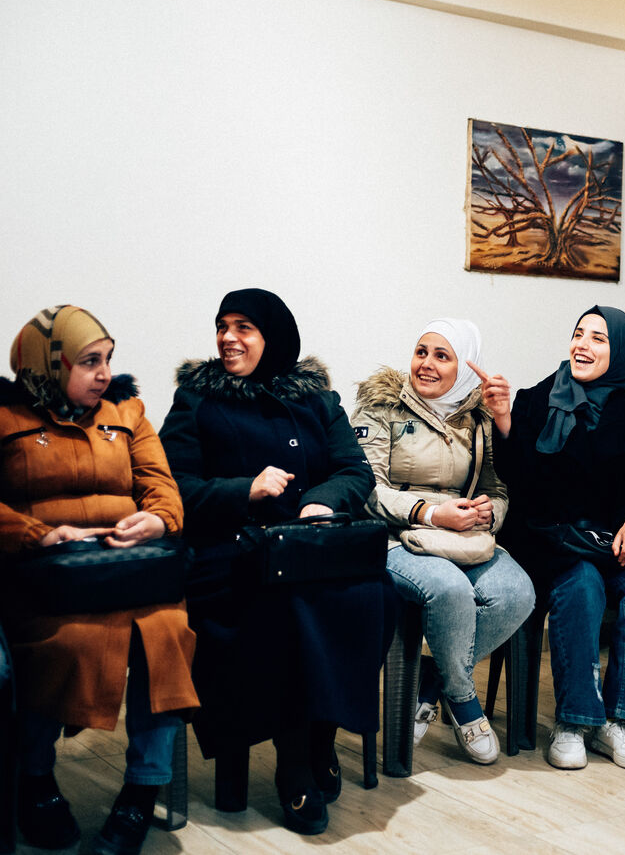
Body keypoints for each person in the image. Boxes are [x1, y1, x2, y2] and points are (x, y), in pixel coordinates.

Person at [159, 288, 393, 836]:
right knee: (286, 608)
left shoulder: (317, 399)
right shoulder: (197, 400)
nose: (228, 338)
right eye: (222, 326)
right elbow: (172, 485)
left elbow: (354, 469)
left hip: (310, 547)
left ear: (275, 337)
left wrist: (322, 502)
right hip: (230, 553)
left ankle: (321, 735)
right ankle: (294, 763)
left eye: (243, 327)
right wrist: (245, 489)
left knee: (375, 593)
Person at [0, 305, 197, 855]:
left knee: (168, 638)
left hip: (132, 573)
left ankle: (142, 790)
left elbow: (162, 485)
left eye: (108, 358)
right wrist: (37, 533)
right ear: (49, 362)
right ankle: (35, 778)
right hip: (47, 580)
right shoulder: (5, 417)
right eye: (89, 361)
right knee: (68, 644)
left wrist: (157, 519)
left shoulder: (128, 412)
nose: (105, 373)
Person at [477, 306, 625, 770]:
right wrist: (504, 420)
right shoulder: (534, 400)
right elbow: (521, 483)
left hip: (603, 542)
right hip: (546, 540)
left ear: (619, 352)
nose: (582, 345)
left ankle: (621, 722)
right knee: (582, 580)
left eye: (598, 338)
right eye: (578, 334)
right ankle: (574, 720)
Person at [350, 318, 534, 765]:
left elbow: (498, 487)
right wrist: (430, 512)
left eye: (442, 356)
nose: (426, 364)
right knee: (450, 589)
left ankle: (433, 683)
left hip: (462, 534)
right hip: (395, 534)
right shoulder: (381, 407)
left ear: (464, 367)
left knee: (517, 593)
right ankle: (466, 705)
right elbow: (364, 487)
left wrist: (490, 512)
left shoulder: (480, 417)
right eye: (421, 352)